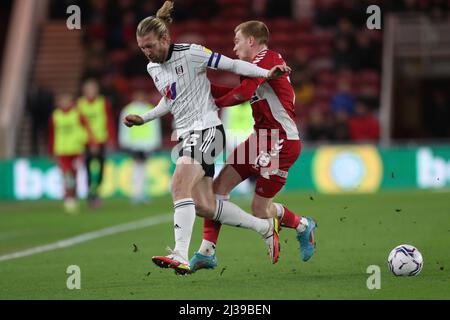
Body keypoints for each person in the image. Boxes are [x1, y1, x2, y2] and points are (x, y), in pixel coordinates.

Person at [123, 0, 291, 274]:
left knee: (179, 185)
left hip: (208, 131)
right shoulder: (152, 69)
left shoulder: (192, 53)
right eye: (142, 48)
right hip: (188, 134)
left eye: (150, 46)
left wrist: (265, 73)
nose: (147, 53)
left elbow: (234, 66)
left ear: (165, 37)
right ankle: (263, 227)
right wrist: (145, 118)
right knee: (204, 204)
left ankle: (179, 253)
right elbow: (170, 99)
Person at [189, 20, 318, 273]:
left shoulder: (267, 59)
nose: (234, 47)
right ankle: (207, 251)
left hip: (281, 141)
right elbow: (238, 90)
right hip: (260, 138)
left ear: (251, 40)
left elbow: (244, 93)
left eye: (237, 40)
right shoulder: (253, 66)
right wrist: (198, 87)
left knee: (260, 209)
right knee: (217, 189)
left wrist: (213, 103)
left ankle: (303, 225)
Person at [48, 93, 97, 213]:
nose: (65, 104)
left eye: (67, 101)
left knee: (74, 174)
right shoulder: (55, 116)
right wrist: (51, 151)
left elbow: (87, 128)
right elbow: (51, 135)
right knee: (67, 175)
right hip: (62, 151)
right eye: (62, 101)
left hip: (76, 150)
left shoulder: (77, 114)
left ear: (71, 102)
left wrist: (92, 143)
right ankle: (69, 198)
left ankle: (73, 197)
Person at [77, 79, 117, 208]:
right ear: (84, 91)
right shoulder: (80, 104)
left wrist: (111, 138)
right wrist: (89, 140)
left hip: (101, 140)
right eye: (88, 89)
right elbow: (78, 124)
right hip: (86, 142)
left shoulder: (103, 102)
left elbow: (108, 120)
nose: (91, 92)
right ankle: (90, 193)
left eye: (93, 89)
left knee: (101, 167)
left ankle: (97, 192)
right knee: (87, 167)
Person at [119, 91, 162, 203]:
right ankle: (137, 194)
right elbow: (123, 128)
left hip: (146, 144)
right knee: (138, 168)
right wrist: (125, 142)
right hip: (135, 144)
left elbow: (154, 127)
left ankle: (141, 193)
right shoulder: (129, 109)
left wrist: (155, 142)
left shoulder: (148, 108)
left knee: (142, 169)